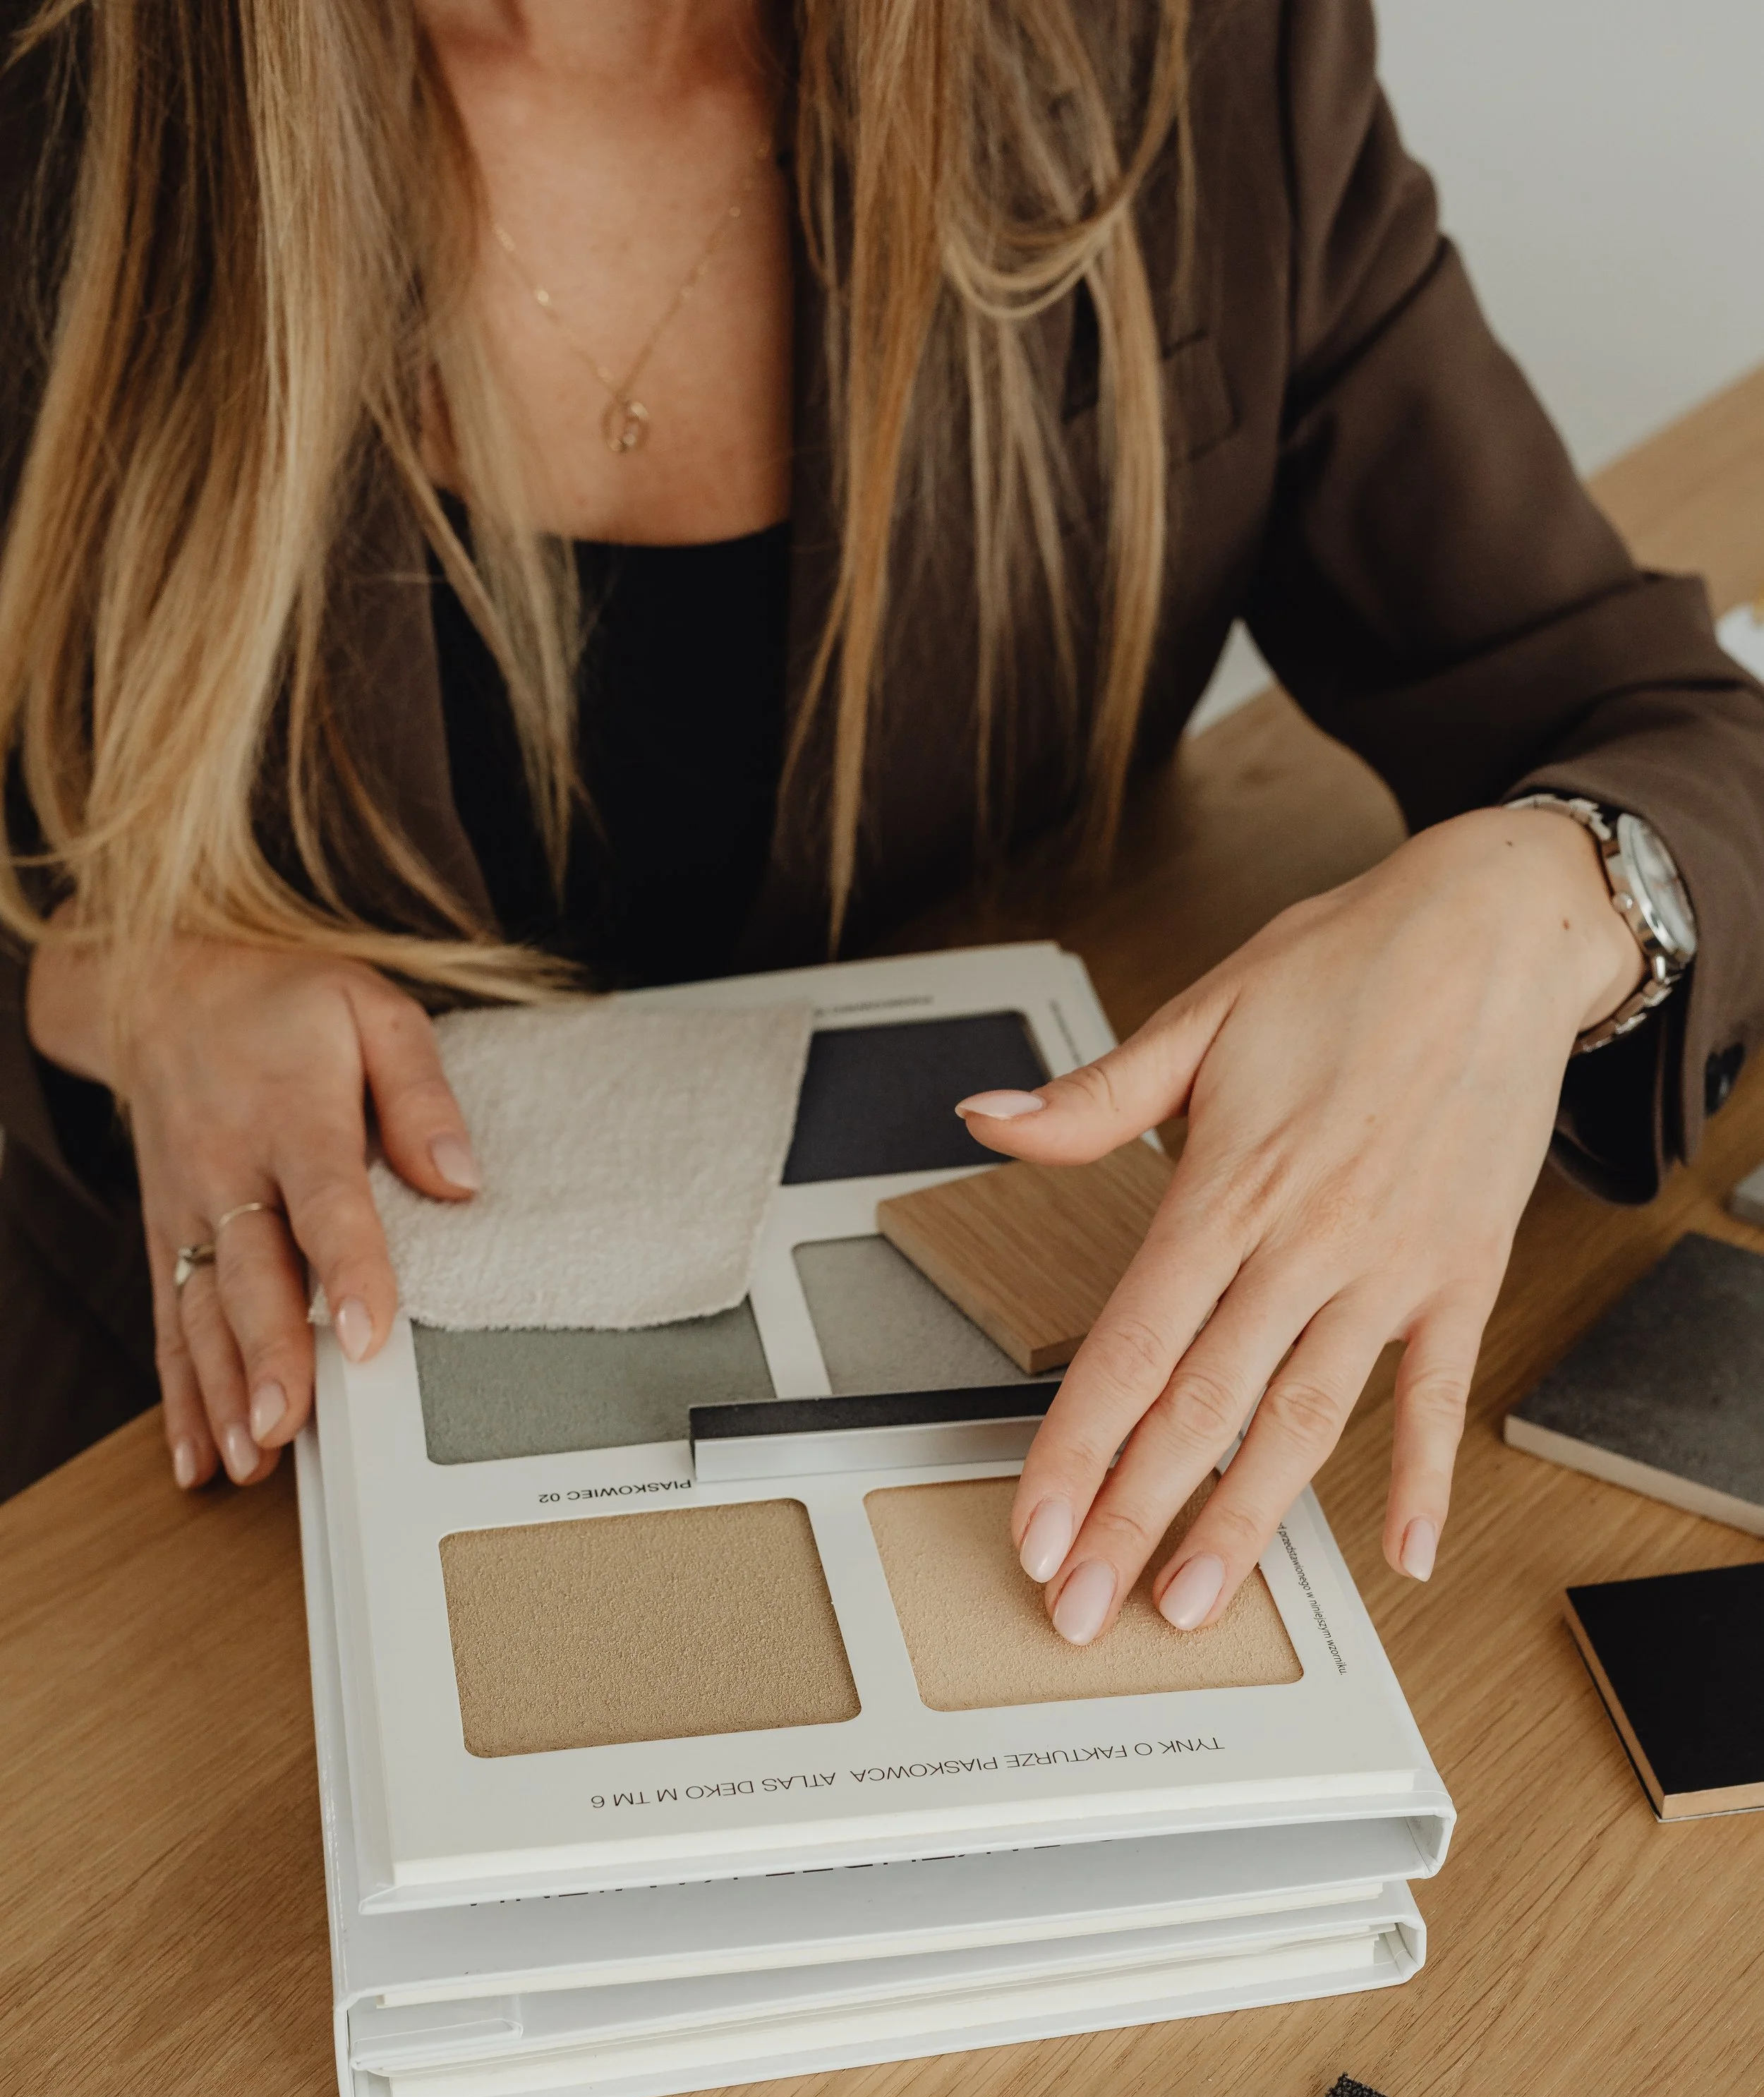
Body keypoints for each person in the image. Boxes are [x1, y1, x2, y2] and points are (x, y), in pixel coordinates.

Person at [2, 0, 1760, 1650]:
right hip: (169, 1493)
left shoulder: (1185, 53)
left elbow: (1668, 729)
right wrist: (116, 975)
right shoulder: (55, 100)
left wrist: (1540, 911)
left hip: (957, 1423)